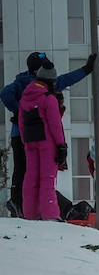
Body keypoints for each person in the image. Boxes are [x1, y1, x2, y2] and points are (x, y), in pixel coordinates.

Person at [2, 51, 92, 217]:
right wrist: (86, 70)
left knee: (26, 173)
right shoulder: (44, 89)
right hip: (41, 137)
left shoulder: (22, 84)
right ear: (38, 70)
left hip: (22, 135)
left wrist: (19, 111)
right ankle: (42, 211)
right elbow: (66, 81)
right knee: (43, 177)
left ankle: (23, 207)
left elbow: (5, 94)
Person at [17, 64, 66, 220]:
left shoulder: (25, 98)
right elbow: (55, 124)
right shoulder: (48, 98)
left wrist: (25, 142)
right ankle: (50, 213)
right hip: (47, 143)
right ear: (51, 81)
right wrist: (61, 145)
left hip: (30, 142)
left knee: (31, 177)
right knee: (48, 178)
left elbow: (21, 123)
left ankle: (30, 213)